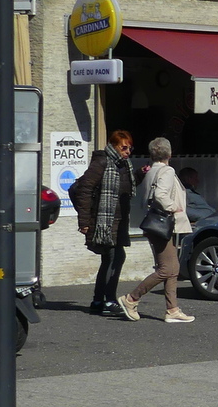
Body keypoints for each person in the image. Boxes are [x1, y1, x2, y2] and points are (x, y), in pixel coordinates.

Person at [118, 137, 195, 323]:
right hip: (163, 223)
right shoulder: (167, 171)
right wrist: (173, 207)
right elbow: (160, 195)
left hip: (154, 223)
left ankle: (172, 309)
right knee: (166, 268)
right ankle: (131, 298)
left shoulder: (151, 171)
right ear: (169, 153)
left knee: (173, 268)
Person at [69, 130, 135, 317]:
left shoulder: (124, 166)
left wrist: (139, 174)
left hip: (119, 220)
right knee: (113, 257)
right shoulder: (102, 162)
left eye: (130, 147)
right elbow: (83, 190)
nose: (128, 151)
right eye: (124, 147)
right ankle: (108, 300)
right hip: (103, 222)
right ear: (114, 146)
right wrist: (84, 222)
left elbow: (126, 188)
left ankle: (99, 301)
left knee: (112, 258)